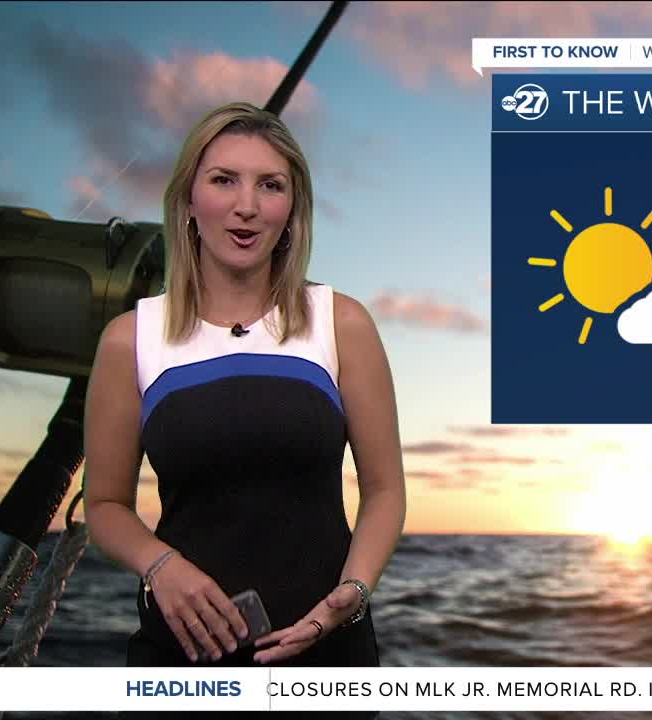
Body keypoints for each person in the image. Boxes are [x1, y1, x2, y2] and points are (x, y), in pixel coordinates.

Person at [83, 101, 405, 687]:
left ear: (292, 209)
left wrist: (354, 591)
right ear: (188, 200)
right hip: (182, 668)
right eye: (224, 180)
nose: (247, 205)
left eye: (270, 185)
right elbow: (104, 504)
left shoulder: (341, 323)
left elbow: (384, 490)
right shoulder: (130, 339)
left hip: (327, 665)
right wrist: (161, 565)